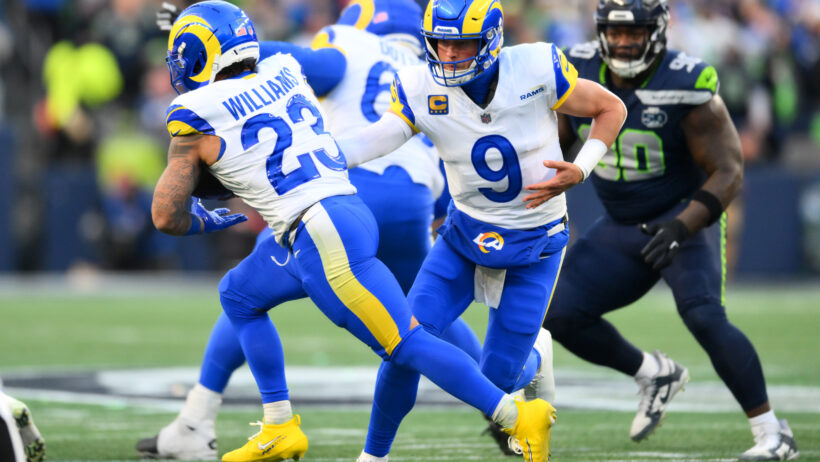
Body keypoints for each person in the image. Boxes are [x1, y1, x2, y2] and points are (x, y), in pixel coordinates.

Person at [150, 2, 555, 462]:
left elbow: (166, 215)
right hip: (378, 202)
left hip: (322, 225)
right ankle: (279, 425)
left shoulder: (327, 53)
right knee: (240, 294)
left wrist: (203, 213)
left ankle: (514, 414)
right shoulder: (308, 71)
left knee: (405, 342)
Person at [334, 0, 627, 459]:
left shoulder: (533, 67)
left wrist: (582, 167)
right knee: (403, 344)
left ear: (491, 41)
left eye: (461, 43)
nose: (448, 55)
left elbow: (610, 108)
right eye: (440, 43)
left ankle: (534, 357)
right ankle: (374, 456)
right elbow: (381, 136)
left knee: (493, 383)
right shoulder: (419, 84)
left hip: (536, 243)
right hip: (464, 238)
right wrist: (326, 154)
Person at [543, 1, 800, 460]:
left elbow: (729, 170)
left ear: (658, 32)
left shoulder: (684, 80)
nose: (623, 42)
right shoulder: (574, 68)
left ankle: (772, 432)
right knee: (557, 313)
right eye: (615, 32)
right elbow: (555, 143)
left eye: (634, 32)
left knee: (703, 314)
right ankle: (651, 372)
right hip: (621, 224)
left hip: (681, 218)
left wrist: (683, 226)